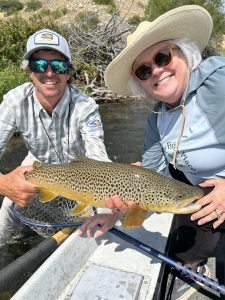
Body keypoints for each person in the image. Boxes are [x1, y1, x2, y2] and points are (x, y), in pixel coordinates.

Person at [77, 5, 225, 300]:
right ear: (141, 83)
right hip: (201, 199)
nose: (156, 70)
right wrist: (116, 211)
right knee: (182, 243)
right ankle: (193, 267)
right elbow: (153, 179)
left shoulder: (218, 83)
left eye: (162, 57)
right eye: (144, 70)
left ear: (183, 53)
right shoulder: (157, 119)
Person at [0, 28, 110, 244]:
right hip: (37, 165)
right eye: (39, 65)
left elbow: (99, 161)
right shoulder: (14, 102)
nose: (49, 73)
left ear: (69, 72)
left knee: (101, 216)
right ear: (29, 71)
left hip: (83, 174)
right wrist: (3, 184)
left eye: (58, 66)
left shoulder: (86, 107)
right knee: (5, 210)